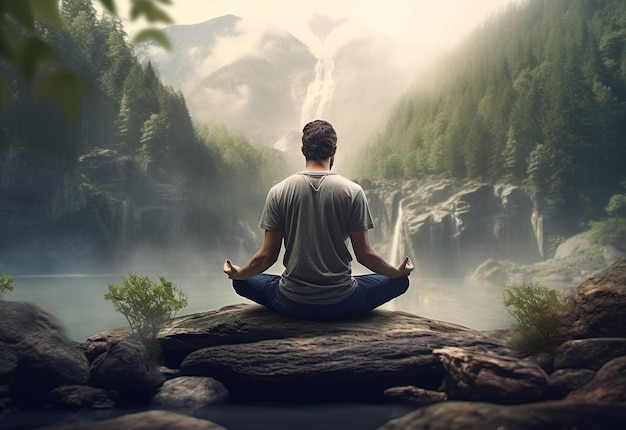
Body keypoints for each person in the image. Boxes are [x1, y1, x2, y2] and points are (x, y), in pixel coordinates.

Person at [223, 119, 413, 320]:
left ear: (303, 149)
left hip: (291, 301)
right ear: (334, 150)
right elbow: (364, 255)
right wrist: (395, 272)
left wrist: (240, 273)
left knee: (242, 282)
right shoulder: (353, 192)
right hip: (342, 301)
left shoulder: (278, 191)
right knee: (400, 282)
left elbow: (268, 256)